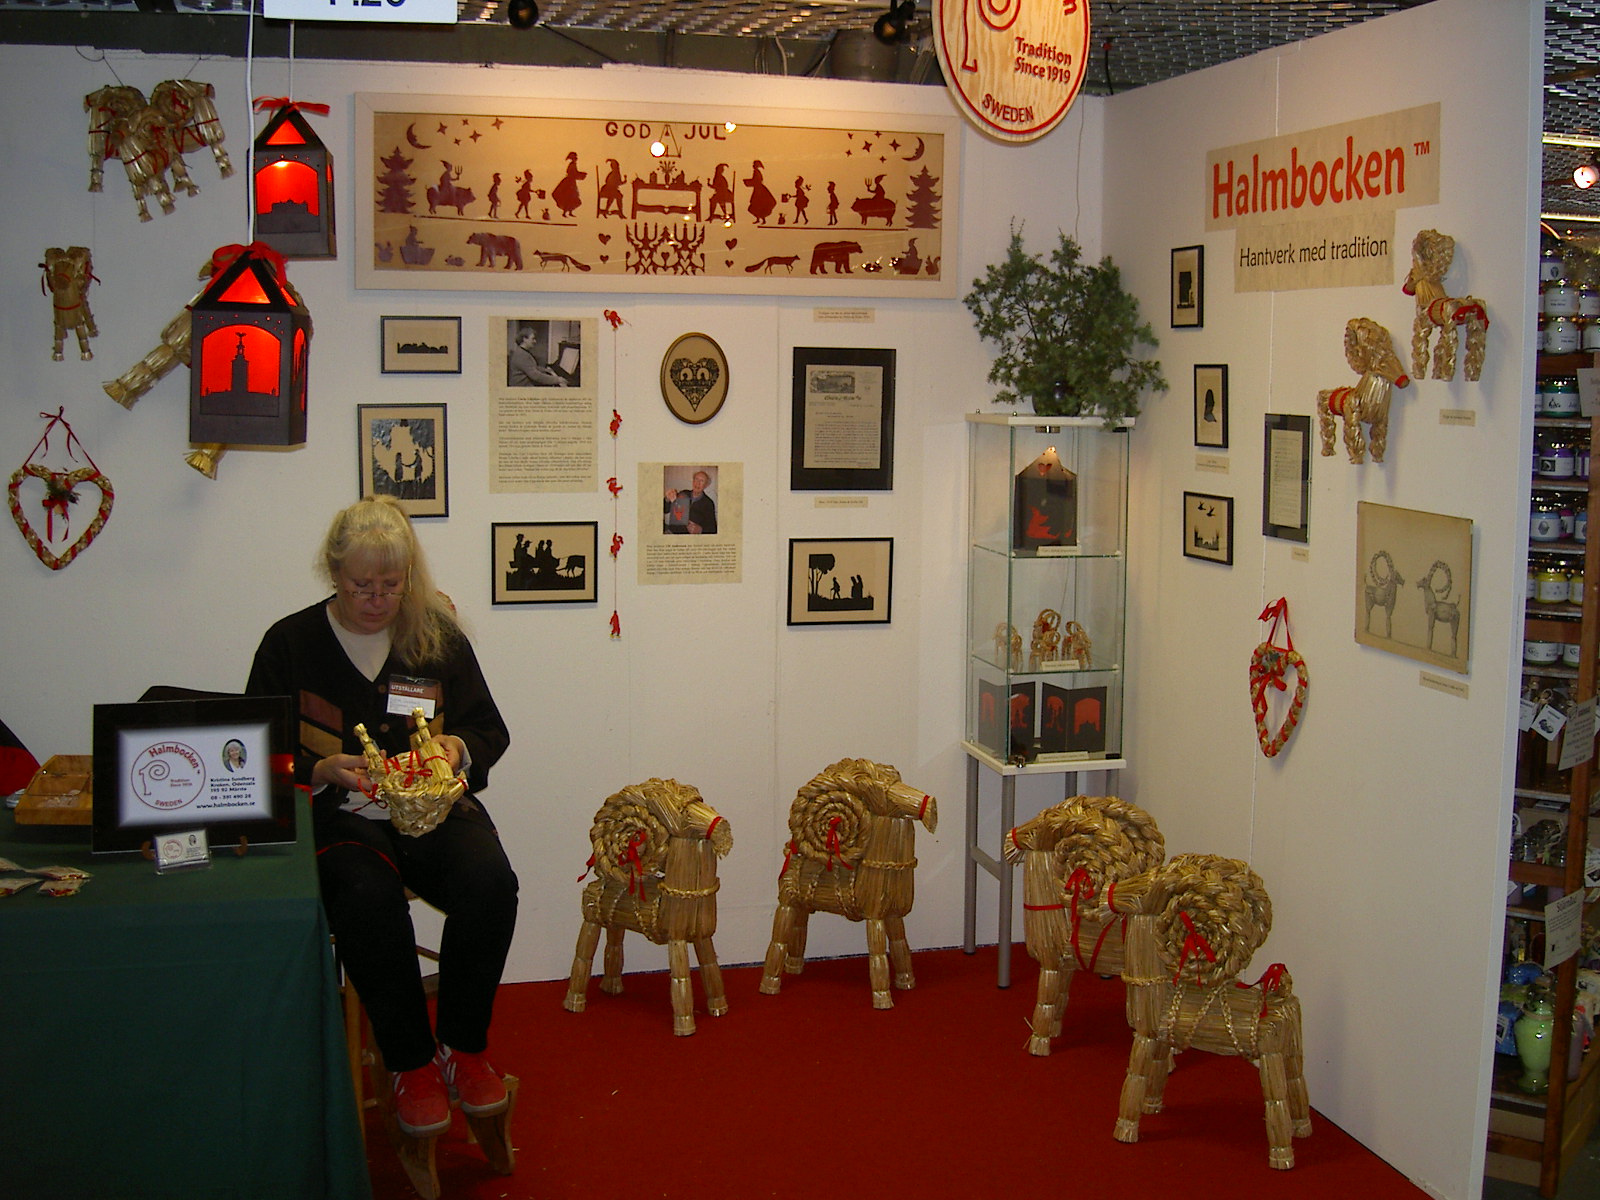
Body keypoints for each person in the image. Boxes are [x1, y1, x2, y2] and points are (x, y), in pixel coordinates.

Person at [245, 496, 518, 1138]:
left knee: (490, 884)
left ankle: (462, 1045)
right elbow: (251, 750)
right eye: (360, 585)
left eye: (391, 586)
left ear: (408, 578)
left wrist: (456, 748)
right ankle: (410, 1062)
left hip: (430, 808)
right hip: (340, 814)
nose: (376, 600)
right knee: (366, 897)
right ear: (333, 571)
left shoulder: (435, 636)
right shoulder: (290, 643)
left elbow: (488, 729)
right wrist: (318, 769)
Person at [663, 469, 717, 534]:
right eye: (696, 479)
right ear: (693, 481)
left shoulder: (708, 503)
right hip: (671, 531)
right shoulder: (683, 493)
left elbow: (713, 528)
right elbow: (665, 509)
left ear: (706, 485)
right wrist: (667, 499)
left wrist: (701, 530)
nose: (698, 483)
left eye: (702, 481)